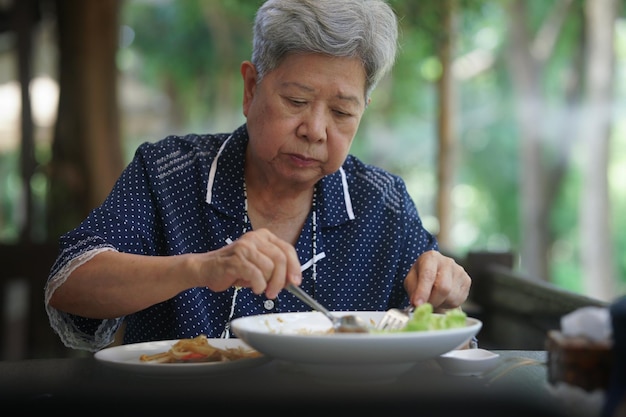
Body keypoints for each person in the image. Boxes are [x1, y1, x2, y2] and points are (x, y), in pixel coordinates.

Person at [45, 0, 471, 352]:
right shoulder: (168, 172)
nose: (316, 130)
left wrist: (441, 291)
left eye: (342, 112)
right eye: (297, 100)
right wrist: (199, 268)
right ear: (251, 88)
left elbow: (433, 334)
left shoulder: (383, 201)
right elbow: (71, 281)